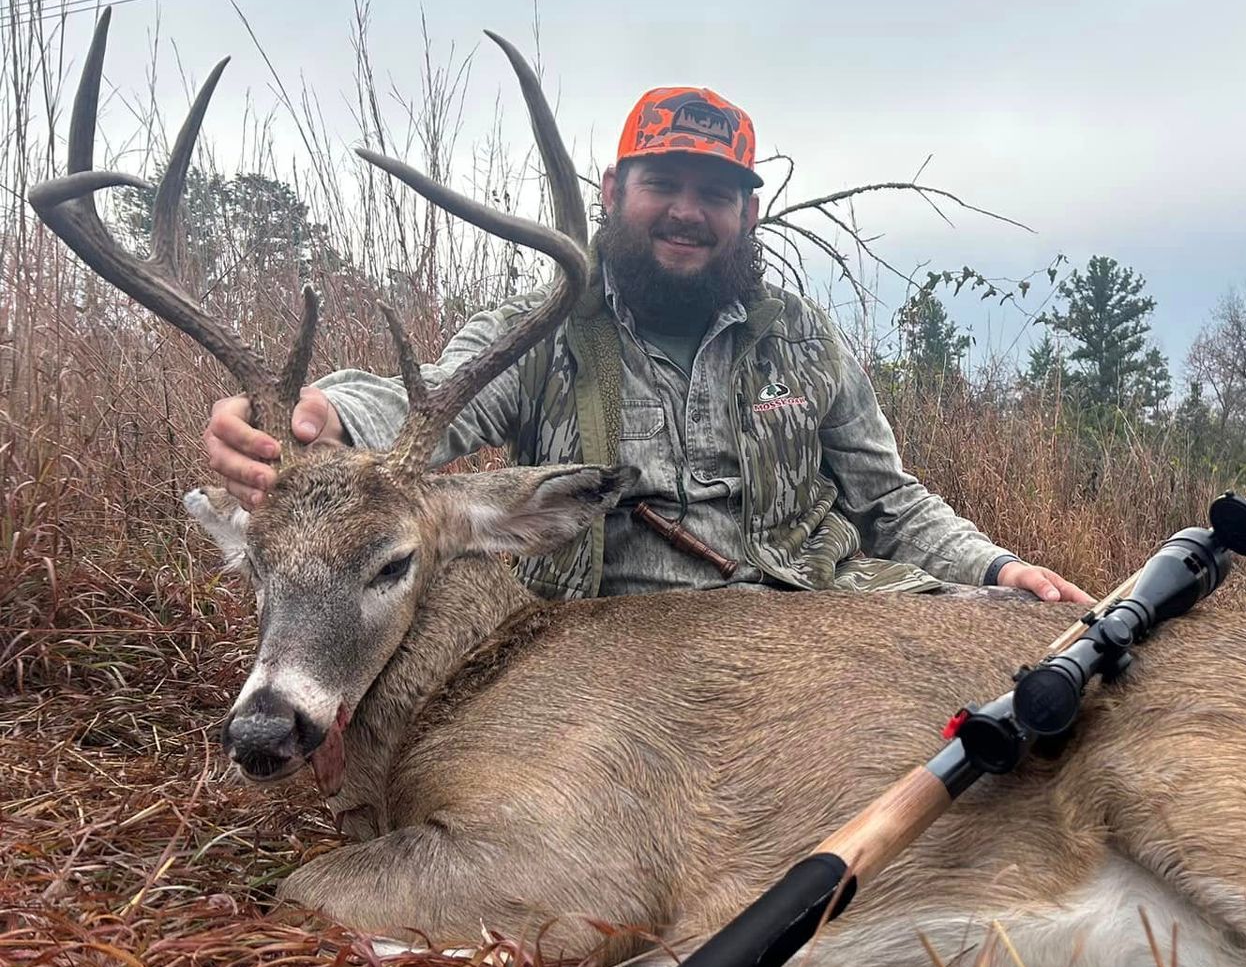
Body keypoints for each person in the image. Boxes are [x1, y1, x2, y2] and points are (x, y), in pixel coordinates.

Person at [202, 84, 1092, 606]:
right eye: (662, 182)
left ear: (749, 213)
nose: (686, 211)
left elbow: (887, 503)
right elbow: (428, 404)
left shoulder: (803, 338)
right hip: (616, 654)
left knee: (1041, 671)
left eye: (714, 194)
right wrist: (321, 419)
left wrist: (998, 567)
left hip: (818, 616)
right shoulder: (541, 329)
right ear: (612, 190)